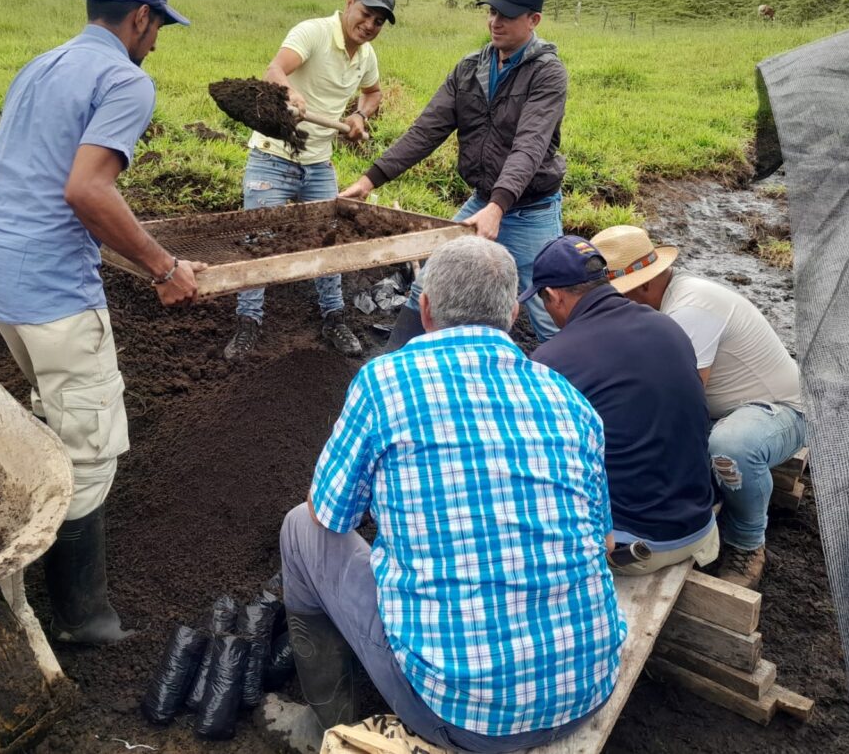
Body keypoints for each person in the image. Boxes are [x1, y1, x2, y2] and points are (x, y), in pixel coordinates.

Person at [277, 237, 627, 753]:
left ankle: (327, 718)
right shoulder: (567, 398)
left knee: (299, 529)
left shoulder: (385, 381)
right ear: (512, 312)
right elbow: (603, 541)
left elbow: (329, 514)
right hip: (588, 686)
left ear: (424, 308)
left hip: (463, 717)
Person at [0, 0, 203, 643]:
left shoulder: (39, 65)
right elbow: (88, 191)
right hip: (52, 292)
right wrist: (163, 267)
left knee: (54, 402)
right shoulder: (124, 79)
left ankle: (41, 501)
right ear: (138, 18)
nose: (157, 40)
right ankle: (80, 615)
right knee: (94, 446)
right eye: (157, 26)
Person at [339, 0, 567, 348]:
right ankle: (396, 364)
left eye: (507, 16)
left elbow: (531, 145)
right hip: (483, 200)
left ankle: (563, 391)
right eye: (492, 12)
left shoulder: (547, 73)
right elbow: (425, 132)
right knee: (430, 282)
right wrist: (368, 181)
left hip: (531, 210)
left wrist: (499, 205)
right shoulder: (469, 69)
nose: (495, 22)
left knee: (546, 306)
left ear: (534, 20)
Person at [591, 225, 806, 589]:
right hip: (719, 411)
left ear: (645, 284)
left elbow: (681, 397)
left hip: (777, 410)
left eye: (622, 294)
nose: (617, 305)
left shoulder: (692, 308)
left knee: (731, 449)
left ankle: (747, 541)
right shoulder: (664, 302)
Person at [223, 0, 395, 361]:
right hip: (273, 156)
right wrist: (289, 92)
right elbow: (274, 69)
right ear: (349, 3)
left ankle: (333, 316)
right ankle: (248, 321)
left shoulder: (365, 56)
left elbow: (373, 93)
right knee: (258, 241)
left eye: (379, 21)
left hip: (318, 162)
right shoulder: (313, 33)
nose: (369, 25)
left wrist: (359, 114)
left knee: (327, 240)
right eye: (366, 14)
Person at [526, 236, 718, 574]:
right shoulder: (667, 325)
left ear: (554, 297)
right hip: (699, 523)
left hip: (637, 546)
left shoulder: (553, 360)